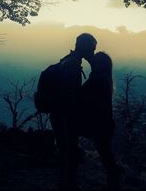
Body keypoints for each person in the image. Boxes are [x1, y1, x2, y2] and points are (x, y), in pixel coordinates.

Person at [50, 33, 97, 190]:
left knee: (67, 150)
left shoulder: (69, 60)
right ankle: (68, 185)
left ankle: (66, 183)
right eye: (92, 49)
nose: (93, 53)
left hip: (59, 112)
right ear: (85, 47)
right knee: (69, 151)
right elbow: (68, 91)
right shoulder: (72, 65)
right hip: (65, 115)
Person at [79, 51, 122, 189]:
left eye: (94, 60)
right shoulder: (105, 78)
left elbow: (82, 95)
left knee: (106, 155)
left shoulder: (97, 79)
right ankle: (114, 179)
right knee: (106, 154)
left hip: (99, 124)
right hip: (105, 123)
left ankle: (114, 180)